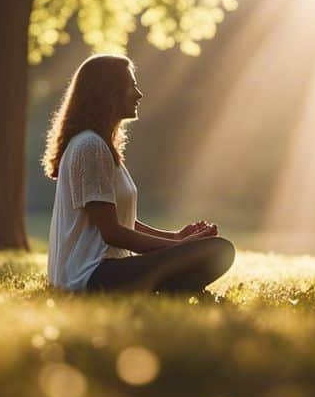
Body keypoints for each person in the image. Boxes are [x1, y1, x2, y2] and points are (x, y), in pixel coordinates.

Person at [42, 54, 235, 294]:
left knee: (213, 249)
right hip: (89, 276)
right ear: (107, 92)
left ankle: (166, 290)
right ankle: (169, 289)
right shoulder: (90, 146)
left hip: (103, 269)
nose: (139, 94)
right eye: (131, 86)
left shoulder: (98, 145)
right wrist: (176, 247)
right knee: (218, 250)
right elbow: (112, 232)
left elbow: (120, 219)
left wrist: (176, 238)